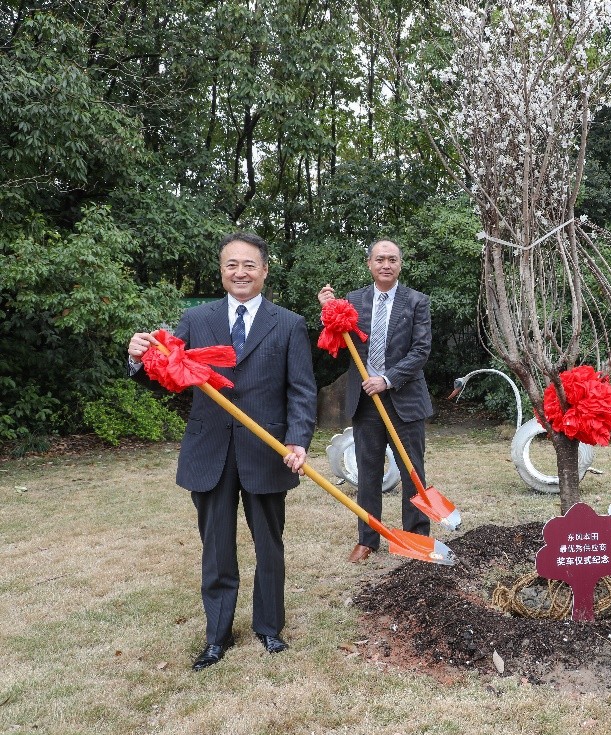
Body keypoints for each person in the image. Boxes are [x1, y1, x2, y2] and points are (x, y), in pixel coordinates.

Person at [127, 231, 317, 671]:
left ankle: (269, 628)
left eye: (250, 264)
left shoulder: (288, 323)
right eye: (232, 264)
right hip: (210, 450)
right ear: (221, 270)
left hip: (266, 451)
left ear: (265, 271)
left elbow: (302, 392)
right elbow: (168, 373)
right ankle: (217, 636)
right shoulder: (196, 320)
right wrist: (140, 359)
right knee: (216, 547)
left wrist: (298, 441)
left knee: (269, 544)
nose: (241, 272)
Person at [317, 239, 433, 564]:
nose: (386, 264)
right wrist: (328, 309)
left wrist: (387, 379)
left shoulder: (416, 302)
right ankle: (368, 540)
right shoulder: (352, 301)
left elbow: (421, 350)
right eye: (380, 259)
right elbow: (334, 339)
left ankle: (417, 539)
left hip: (404, 400)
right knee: (368, 472)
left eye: (392, 259)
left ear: (400, 264)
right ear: (369, 263)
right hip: (366, 403)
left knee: (413, 473)